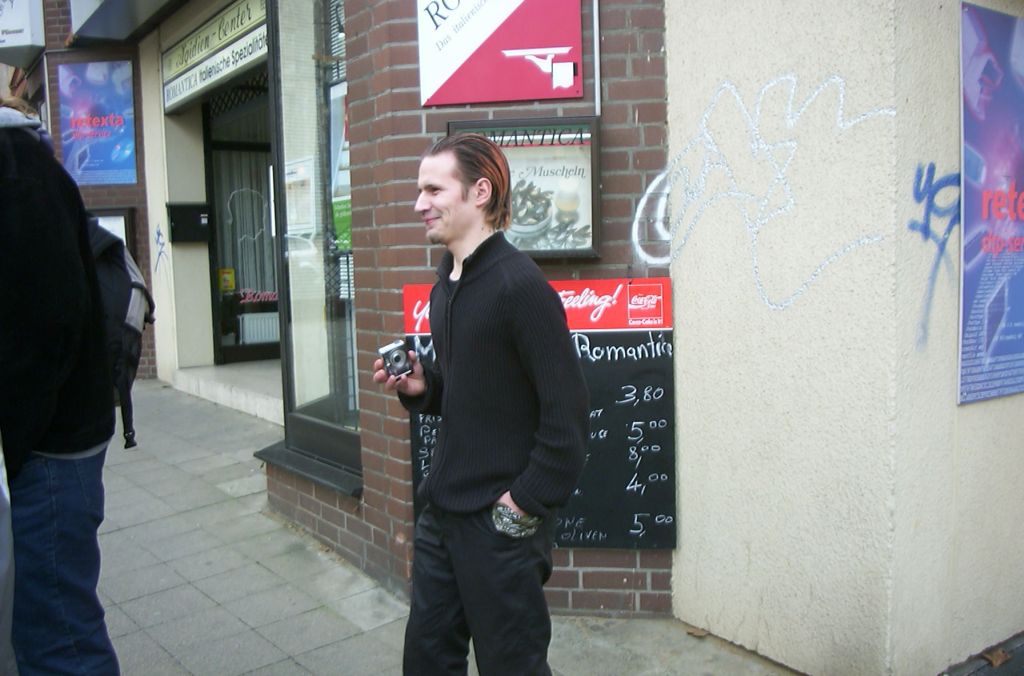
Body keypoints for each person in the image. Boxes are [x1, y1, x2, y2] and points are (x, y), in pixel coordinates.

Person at [373, 133, 589, 675]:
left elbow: (567, 420)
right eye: (419, 190)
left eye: (433, 190)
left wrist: (521, 506)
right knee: (426, 661)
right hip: (441, 515)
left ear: (480, 192)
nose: (419, 204)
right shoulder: (443, 286)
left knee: (511, 667)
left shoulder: (521, 287)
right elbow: (477, 392)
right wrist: (425, 388)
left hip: (499, 525)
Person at [0, 98, 120, 675]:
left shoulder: (16, 172)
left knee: (57, 640)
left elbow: (47, 325)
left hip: (45, 455)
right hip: (46, 447)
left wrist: (15, 446)